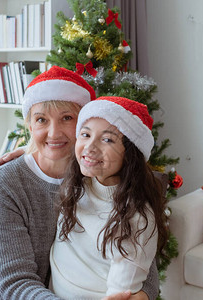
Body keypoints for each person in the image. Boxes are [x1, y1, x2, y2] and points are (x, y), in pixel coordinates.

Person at [0, 66, 159, 300]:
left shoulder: (95, 175)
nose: (54, 133)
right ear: (30, 126)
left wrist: (143, 294)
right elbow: (16, 284)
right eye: (41, 120)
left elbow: (139, 248)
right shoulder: (5, 184)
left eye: (67, 118)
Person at [50, 96, 168, 299]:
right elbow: (44, 151)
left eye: (107, 139)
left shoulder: (137, 218)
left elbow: (121, 293)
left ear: (130, 154)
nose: (90, 147)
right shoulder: (79, 181)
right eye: (85, 134)